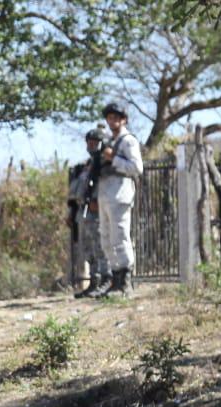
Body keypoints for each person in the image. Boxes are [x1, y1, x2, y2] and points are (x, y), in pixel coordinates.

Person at [94, 101, 144, 297]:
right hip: (105, 193)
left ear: (123, 120)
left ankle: (125, 282)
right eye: (110, 117)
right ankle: (115, 279)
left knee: (120, 237)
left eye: (116, 117)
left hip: (120, 192)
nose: (112, 120)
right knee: (106, 238)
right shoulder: (109, 141)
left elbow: (136, 168)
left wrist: (113, 158)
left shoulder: (128, 141)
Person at [67, 127, 110, 298]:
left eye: (95, 142)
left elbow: (105, 186)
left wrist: (96, 200)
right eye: (89, 142)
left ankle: (107, 279)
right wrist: (72, 212)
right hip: (84, 211)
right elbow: (77, 190)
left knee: (101, 247)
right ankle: (94, 281)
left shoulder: (104, 165)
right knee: (88, 249)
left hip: (99, 211)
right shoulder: (86, 166)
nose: (91, 145)